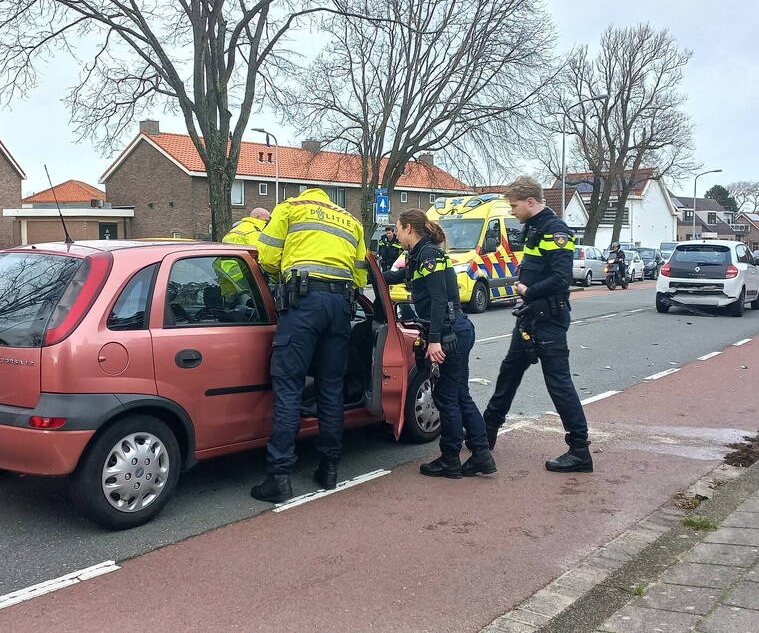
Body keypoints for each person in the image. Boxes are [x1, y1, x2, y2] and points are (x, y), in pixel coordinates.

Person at [250, 188, 367, 503]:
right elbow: (359, 275)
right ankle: (329, 468)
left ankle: (279, 477)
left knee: (289, 386)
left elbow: (269, 257)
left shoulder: (291, 207)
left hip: (303, 302)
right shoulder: (350, 220)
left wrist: (281, 275)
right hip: (341, 306)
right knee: (331, 387)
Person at [482, 177, 593, 473]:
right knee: (509, 372)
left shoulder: (556, 231)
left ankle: (580, 450)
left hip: (548, 320)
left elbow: (560, 278)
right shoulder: (533, 228)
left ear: (531, 202)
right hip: (531, 317)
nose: (512, 211)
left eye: (514, 206)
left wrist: (527, 291)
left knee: (558, 383)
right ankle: (487, 431)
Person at [383, 210, 495, 478]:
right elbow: (398, 278)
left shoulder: (429, 254)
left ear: (409, 228)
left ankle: (450, 460)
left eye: (398, 230)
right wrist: (369, 273)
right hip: (455, 329)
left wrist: (434, 340)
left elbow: (437, 298)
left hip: (448, 332)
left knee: (446, 397)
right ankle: (480, 455)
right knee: (459, 395)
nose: (396, 235)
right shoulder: (420, 254)